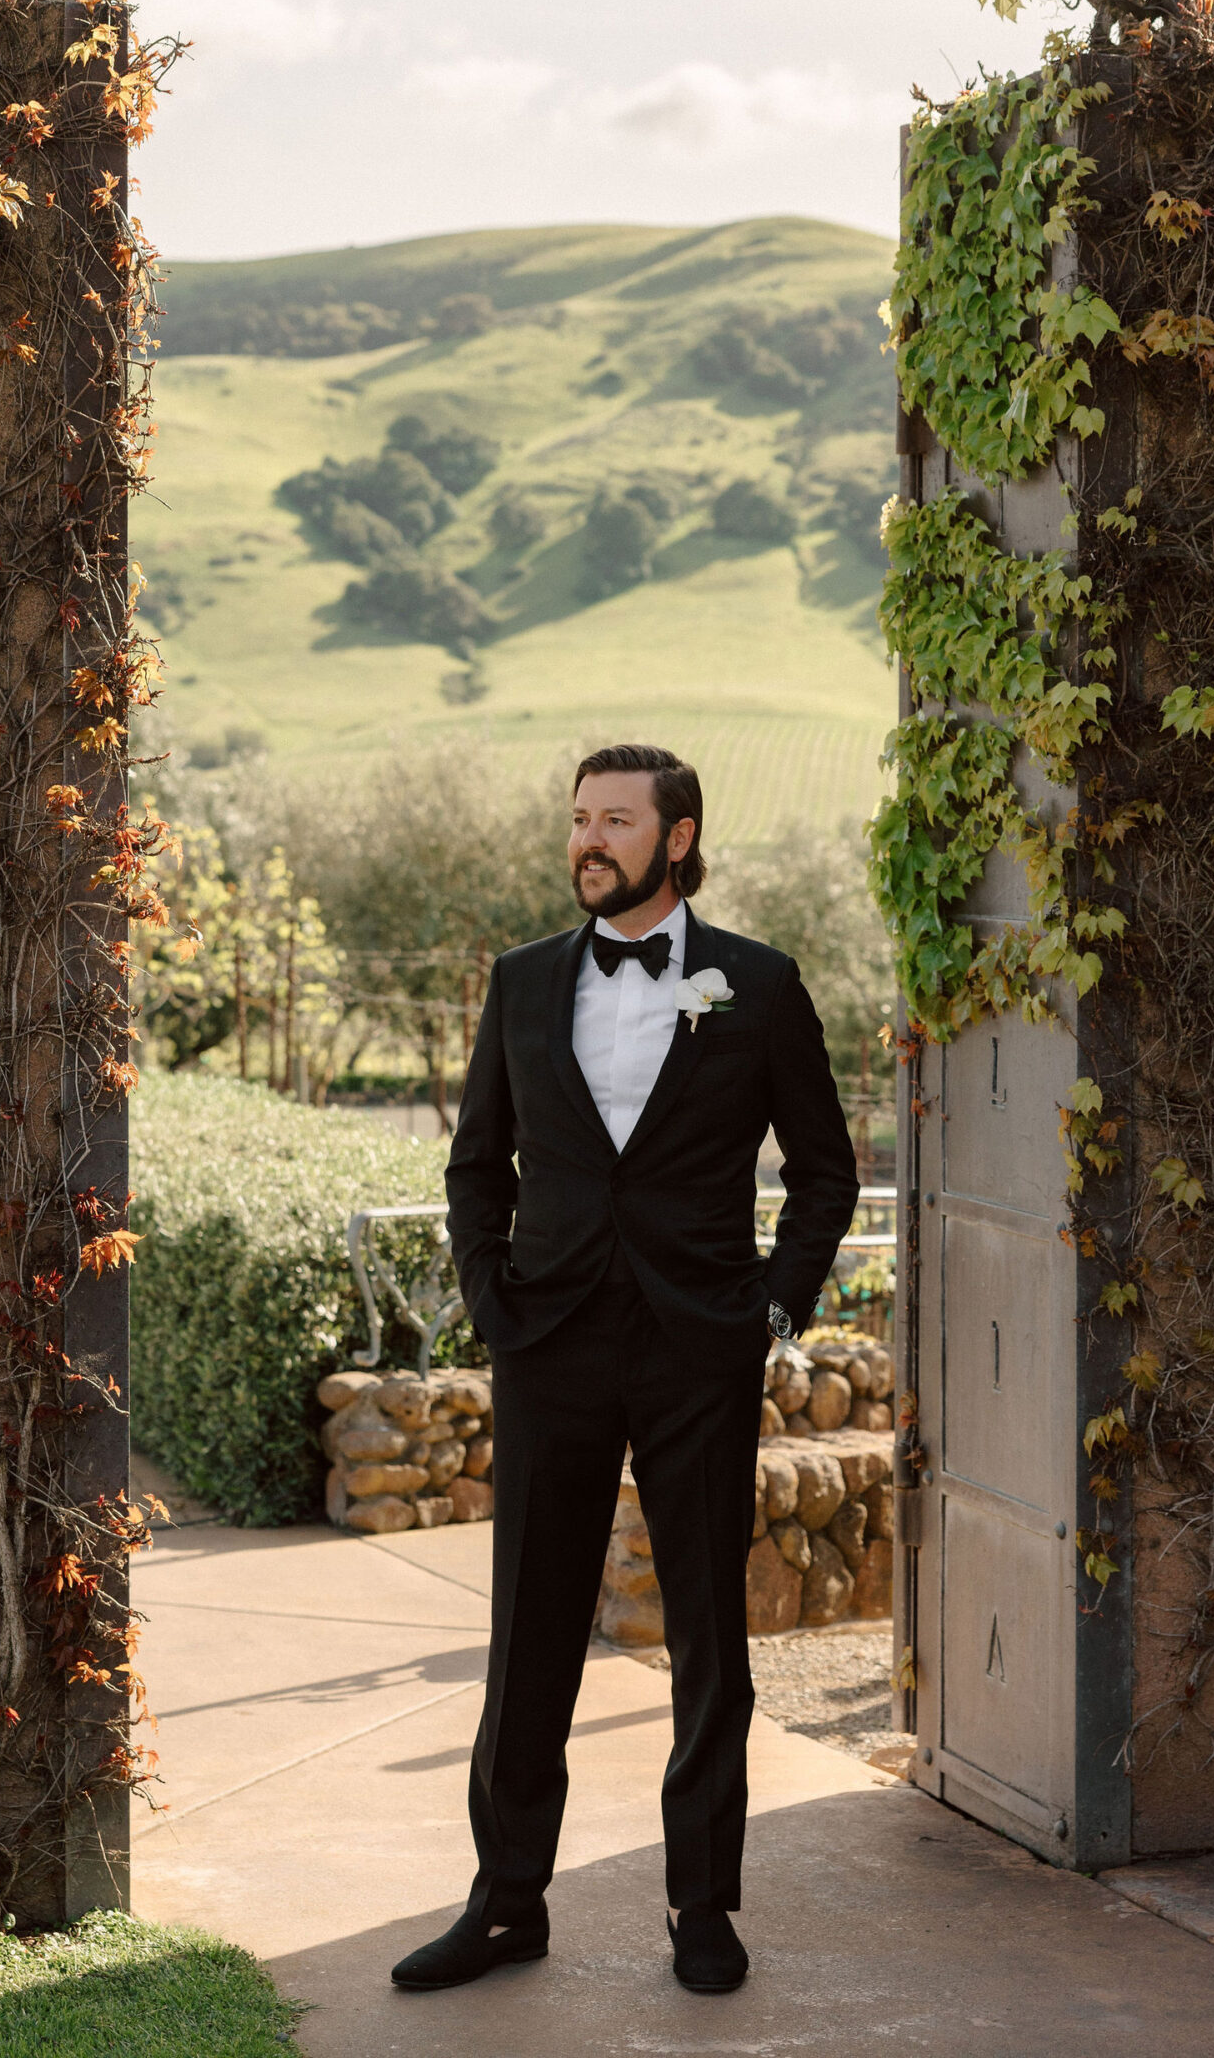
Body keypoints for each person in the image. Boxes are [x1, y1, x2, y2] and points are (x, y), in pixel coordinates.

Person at [391, 742, 859, 1998]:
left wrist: (770, 1310)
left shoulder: (756, 986)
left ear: (680, 836)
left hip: (697, 1348)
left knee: (709, 1635)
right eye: (579, 819)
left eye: (615, 820)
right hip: (550, 1345)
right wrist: (492, 1300)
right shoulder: (522, 980)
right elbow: (477, 1163)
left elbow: (825, 1172)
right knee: (528, 1635)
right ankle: (504, 1905)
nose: (588, 840)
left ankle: (702, 1906)